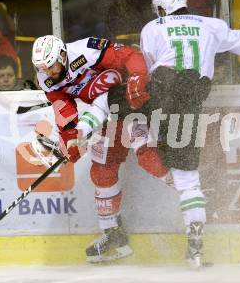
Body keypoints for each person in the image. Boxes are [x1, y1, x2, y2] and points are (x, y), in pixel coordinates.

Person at [138, 0, 240, 268]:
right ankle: (195, 247)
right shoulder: (210, 25)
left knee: (137, 135)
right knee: (188, 178)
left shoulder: (151, 29)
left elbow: (144, 67)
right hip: (190, 99)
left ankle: (170, 175)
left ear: (162, 7)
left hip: (160, 98)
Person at [31, 35, 171, 263]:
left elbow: (129, 55)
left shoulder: (85, 49)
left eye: (52, 65)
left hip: (131, 102)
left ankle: (196, 193)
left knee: (150, 159)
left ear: (63, 55)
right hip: (103, 113)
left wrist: (138, 78)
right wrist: (70, 140)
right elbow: (64, 108)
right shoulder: (45, 77)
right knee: (101, 171)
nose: (48, 72)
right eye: (42, 68)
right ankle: (113, 235)